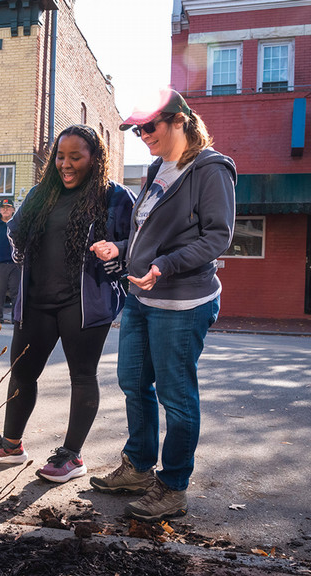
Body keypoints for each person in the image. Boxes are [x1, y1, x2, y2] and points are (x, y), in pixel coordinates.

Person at [89, 89, 236, 521]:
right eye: (137, 130)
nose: (142, 135)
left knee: (176, 396)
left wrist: (165, 265)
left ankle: (172, 487)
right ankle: (137, 468)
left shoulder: (211, 168)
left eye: (149, 126)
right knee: (133, 382)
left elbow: (217, 237)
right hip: (142, 296)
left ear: (179, 120)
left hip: (183, 301)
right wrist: (120, 248)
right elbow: (146, 232)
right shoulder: (158, 168)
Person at [0, 125, 134, 483]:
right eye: (61, 156)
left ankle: (71, 456)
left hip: (84, 303)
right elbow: (16, 232)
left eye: (76, 157)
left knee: (82, 376)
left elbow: (134, 244)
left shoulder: (114, 197)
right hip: (36, 302)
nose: (66, 164)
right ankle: (12, 445)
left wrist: (114, 254)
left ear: (95, 158)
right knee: (23, 372)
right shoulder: (42, 193)